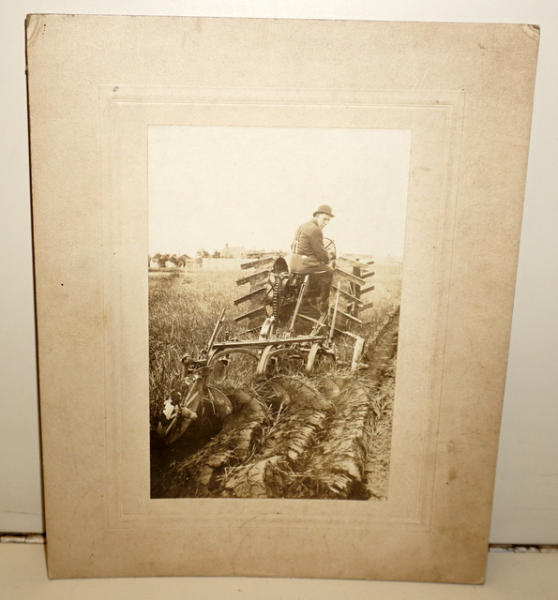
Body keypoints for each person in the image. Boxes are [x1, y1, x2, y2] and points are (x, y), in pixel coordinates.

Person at [289, 205, 336, 313]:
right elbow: (321, 253)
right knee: (329, 271)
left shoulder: (302, 226)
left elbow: (293, 246)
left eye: (328, 220)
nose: (326, 223)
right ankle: (321, 303)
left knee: (318, 267)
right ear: (317, 216)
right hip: (305, 265)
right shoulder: (316, 230)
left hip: (293, 263)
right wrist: (329, 258)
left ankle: (308, 298)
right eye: (324, 219)